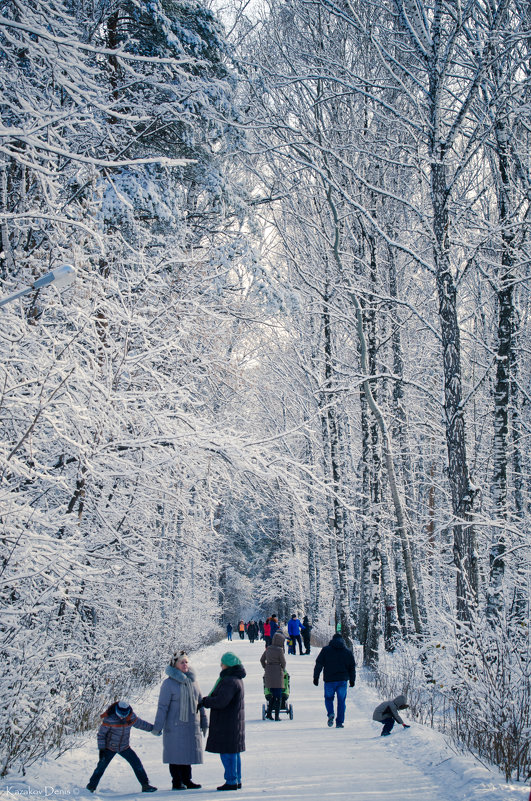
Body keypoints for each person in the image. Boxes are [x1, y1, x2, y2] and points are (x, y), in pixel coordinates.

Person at [152, 651, 208, 790]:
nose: (185, 665)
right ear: (175, 665)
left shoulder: (193, 682)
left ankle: (187, 779)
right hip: (175, 725)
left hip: (191, 724)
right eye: (181, 662)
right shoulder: (168, 684)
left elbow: (200, 702)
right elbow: (162, 707)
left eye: (186, 662)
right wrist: (157, 726)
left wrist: (204, 722)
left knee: (187, 752)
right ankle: (176, 781)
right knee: (176, 753)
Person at [198, 652, 246, 791]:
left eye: (222, 663)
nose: (221, 665)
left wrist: (206, 702)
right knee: (234, 753)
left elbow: (221, 701)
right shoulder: (236, 679)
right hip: (233, 722)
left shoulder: (229, 681)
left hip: (228, 723)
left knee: (227, 753)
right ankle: (236, 779)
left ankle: (231, 781)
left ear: (228, 665)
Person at [86, 701, 157, 793]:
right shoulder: (109, 719)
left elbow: (141, 724)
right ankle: (91, 786)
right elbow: (101, 735)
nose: (122, 717)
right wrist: (102, 749)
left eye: (124, 714)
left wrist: (154, 729)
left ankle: (145, 785)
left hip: (124, 747)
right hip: (109, 748)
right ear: (116, 710)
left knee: (137, 764)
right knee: (101, 767)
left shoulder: (131, 717)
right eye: (120, 714)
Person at [313, 632, 356, 728]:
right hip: (342, 681)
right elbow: (352, 667)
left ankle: (330, 713)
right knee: (341, 701)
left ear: (332, 640)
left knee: (328, 698)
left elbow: (319, 664)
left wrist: (316, 677)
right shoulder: (347, 652)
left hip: (329, 680)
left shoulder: (325, 650)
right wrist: (352, 680)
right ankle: (339, 722)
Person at [260, 631, 286, 721]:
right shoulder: (280, 650)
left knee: (272, 695)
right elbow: (283, 662)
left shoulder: (268, 648)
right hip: (277, 672)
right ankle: (276, 716)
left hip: (269, 672)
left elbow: (262, 659)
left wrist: (265, 667)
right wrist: (282, 668)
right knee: (278, 696)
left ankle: (269, 714)